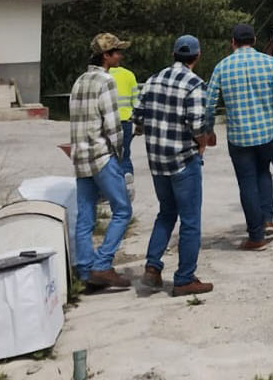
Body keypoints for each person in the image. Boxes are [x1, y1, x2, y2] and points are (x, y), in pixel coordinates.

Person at [133, 34, 213, 297]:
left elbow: (138, 119)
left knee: (166, 213)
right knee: (190, 221)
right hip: (183, 161)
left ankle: (152, 268)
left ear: (173, 55)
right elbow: (199, 126)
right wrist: (203, 142)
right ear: (197, 57)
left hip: (157, 163)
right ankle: (184, 279)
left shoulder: (153, 81)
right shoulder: (194, 85)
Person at [205, 23, 273, 252]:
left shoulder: (222, 67)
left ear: (233, 42)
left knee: (247, 181)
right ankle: (267, 219)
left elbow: (209, 103)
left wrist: (209, 130)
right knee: (263, 173)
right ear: (254, 40)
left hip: (238, 136)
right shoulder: (269, 63)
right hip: (266, 133)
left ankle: (255, 235)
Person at [69, 34, 134, 289]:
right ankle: (102, 264)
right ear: (106, 56)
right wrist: (119, 153)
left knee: (86, 217)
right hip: (101, 155)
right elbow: (112, 124)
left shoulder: (79, 81)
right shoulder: (106, 81)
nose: (120, 56)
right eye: (117, 52)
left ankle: (85, 271)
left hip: (80, 156)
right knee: (122, 210)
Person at [104, 37, 138, 186]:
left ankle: (111, 182)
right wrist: (138, 121)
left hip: (107, 122)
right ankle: (127, 178)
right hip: (126, 121)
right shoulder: (129, 75)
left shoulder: (102, 75)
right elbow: (136, 101)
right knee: (125, 153)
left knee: (108, 155)